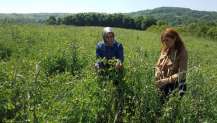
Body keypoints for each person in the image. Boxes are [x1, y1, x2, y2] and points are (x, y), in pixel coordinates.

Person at [95, 27, 124, 123]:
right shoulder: (99, 46)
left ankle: (118, 106)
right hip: (104, 70)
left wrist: (119, 62)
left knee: (116, 90)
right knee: (103, 88)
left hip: (116, 70)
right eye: (107, 37)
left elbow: (121, 58)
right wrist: (97, 65)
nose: (110, 39)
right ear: (104, 37)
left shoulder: (118, 45)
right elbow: (98, 59)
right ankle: (103, 103)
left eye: (111, 36)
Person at [155, 28, 188, 101]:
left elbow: (182, 73)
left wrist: (166, 81)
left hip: (174, 86)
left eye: (167, 40)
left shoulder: (182, 52)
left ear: (175, 39)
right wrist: (157, 72)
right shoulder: (165, 48)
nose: (165, 43)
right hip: (162, 83)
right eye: (163, 40)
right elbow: (157, 65)